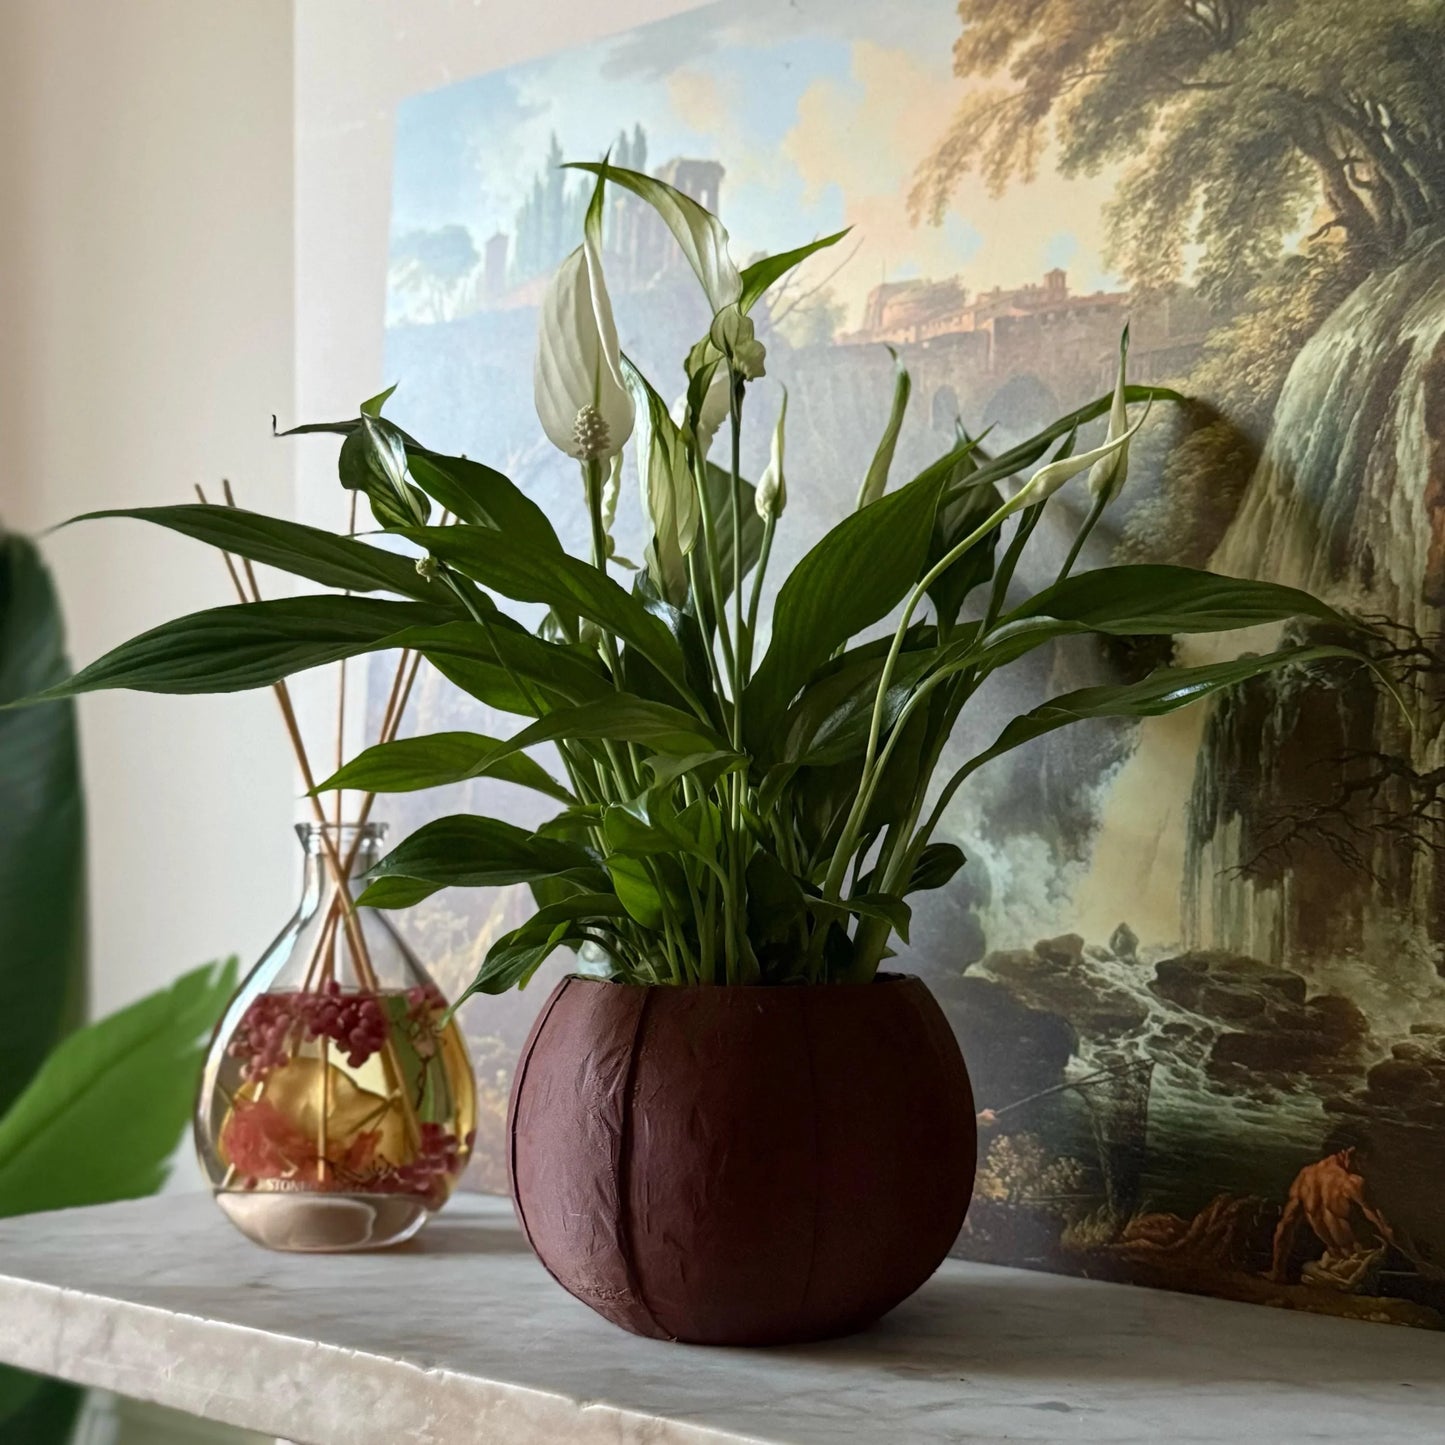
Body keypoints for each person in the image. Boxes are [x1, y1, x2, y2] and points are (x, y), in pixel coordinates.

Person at [1267, 1145, 1398, 1287]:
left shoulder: (1304, 1178)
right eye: (1362, 1160)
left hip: (1328, 1265)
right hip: (1360, 1267)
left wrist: (1278, 1271)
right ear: (1350, 1152)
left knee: (1309, 1269)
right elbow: (1387, 1228)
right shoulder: (1352, 1183)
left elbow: (1286, 1226)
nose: (1361, 1168)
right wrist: (1417, 1261)